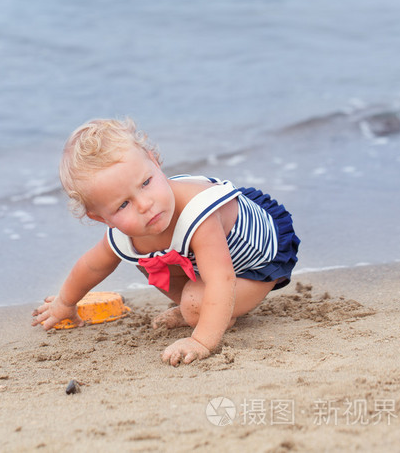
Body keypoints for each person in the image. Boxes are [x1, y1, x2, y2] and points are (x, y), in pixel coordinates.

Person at [31, 118, 300, 366]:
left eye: (146, 183)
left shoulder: (198, 214)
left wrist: (201, 340)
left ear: (154, 161)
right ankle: (199, 308)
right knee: (143, 257)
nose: (145, 205)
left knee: (195, 305)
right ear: (101, 218)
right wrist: (65, 303)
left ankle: (206, 314)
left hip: (260, 259)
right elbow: (92, 266)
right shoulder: (129, 232)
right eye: (123, 204)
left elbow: (222, 278)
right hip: (214, 262)